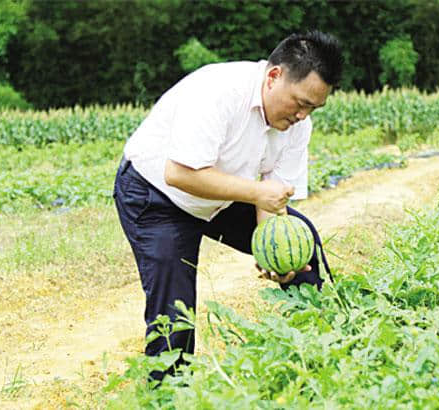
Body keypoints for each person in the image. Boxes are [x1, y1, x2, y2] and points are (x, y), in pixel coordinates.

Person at [113, 30, 343, 380]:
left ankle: (315, 351)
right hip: (156, 195)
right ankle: (167, 396)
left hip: (222, 192)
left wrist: (271, 250)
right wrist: (255, 194)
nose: (302, 115)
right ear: (274, 76)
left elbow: (273, 193)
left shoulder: (298, 123)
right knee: (175, 316)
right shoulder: (219, 91)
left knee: (303, 244)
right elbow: (179, 174)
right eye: (299, 102)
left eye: (313, 107)